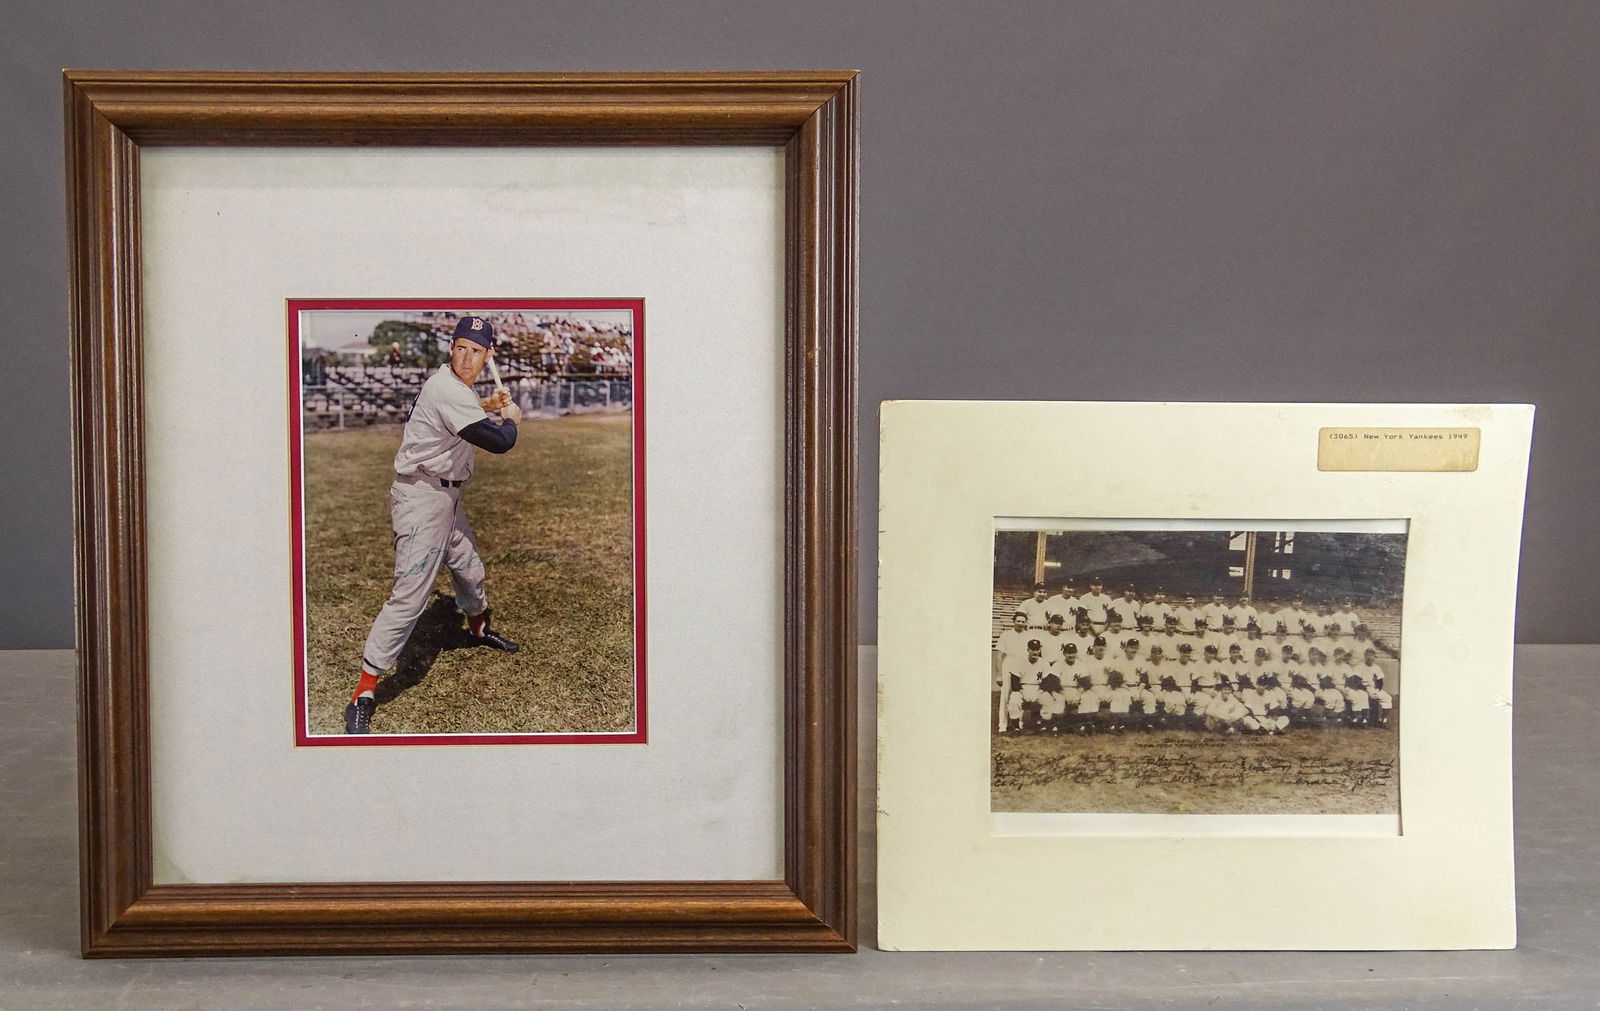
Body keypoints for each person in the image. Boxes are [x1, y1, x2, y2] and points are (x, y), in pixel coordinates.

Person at [344, 316, 522, 734]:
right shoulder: (445, 386)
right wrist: (511, 416)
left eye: (476, 351)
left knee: (469, 567)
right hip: (422, 499)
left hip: (445, 496)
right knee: (408, 596)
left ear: (486, 355)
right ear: (451, 348)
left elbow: (449, 418)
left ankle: (477, 629)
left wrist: (485, 407)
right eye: (460, 347)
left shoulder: (454, 389)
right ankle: (363, 692)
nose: (466, 356)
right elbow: (500, 442)